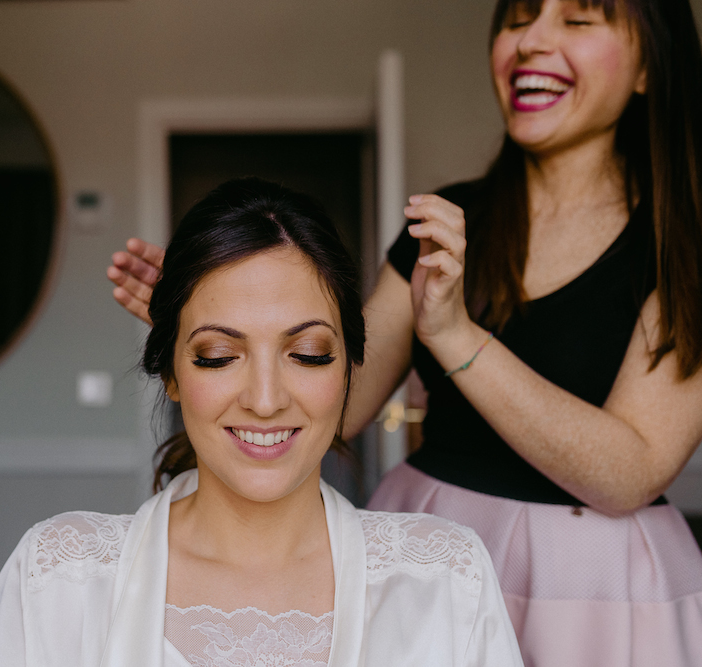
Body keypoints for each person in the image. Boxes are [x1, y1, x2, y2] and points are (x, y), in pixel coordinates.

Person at [106, 2, 702, 665]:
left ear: (651, 64)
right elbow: (343, 404)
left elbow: (630, 471)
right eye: (518, 18)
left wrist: (452, 334)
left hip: (593, 582)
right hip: (428, 529)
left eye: (578, 20)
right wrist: (230, 330)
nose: (531, 41)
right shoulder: (448, 218)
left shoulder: (685, 243)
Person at [0, 179, 523, 666]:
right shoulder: (61, 580)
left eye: (307, 353)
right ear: (172, 374)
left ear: (351, 369)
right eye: (217, 356)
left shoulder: (444, 581)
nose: (264, 399)